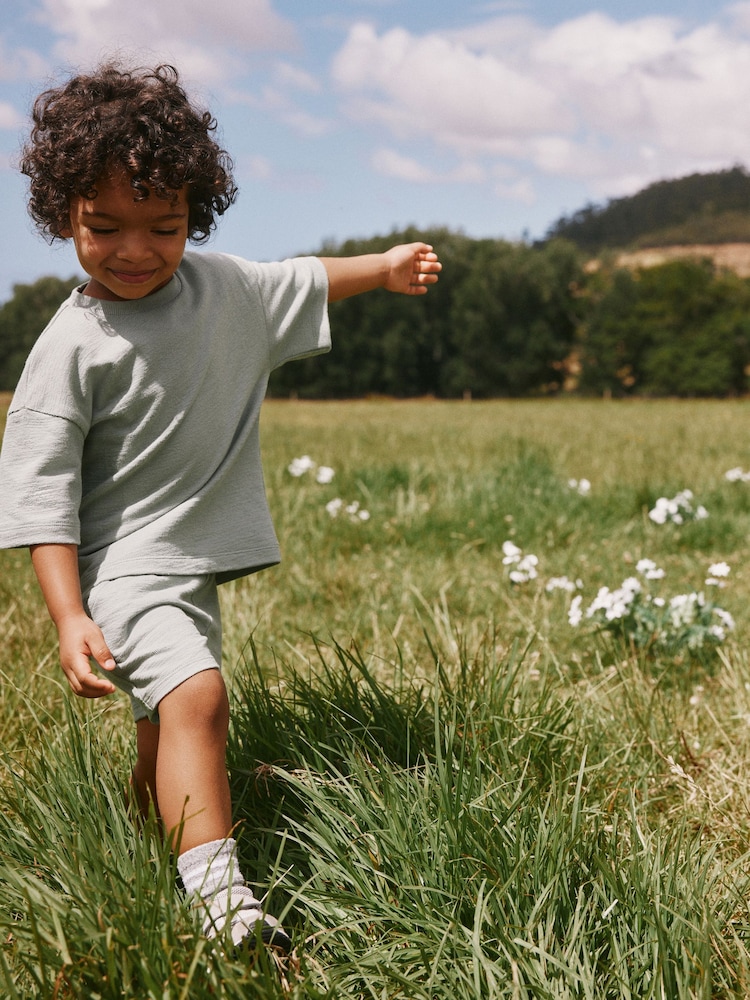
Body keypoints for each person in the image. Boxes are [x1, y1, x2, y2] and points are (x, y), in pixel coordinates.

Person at [0, 62, 440, 957]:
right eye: (103, 227)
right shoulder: (71, 344)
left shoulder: (225, 291)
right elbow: (41, 489)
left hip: (188, 564)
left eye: (163, 226)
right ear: (62, 217)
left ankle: (137, 844)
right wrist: (68, 610)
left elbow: (302, 278)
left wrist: (385, 268)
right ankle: (226, 914)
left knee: (166, 723)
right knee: (199, 697)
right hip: (123, 567)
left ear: (197, 212)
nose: (134, 250)